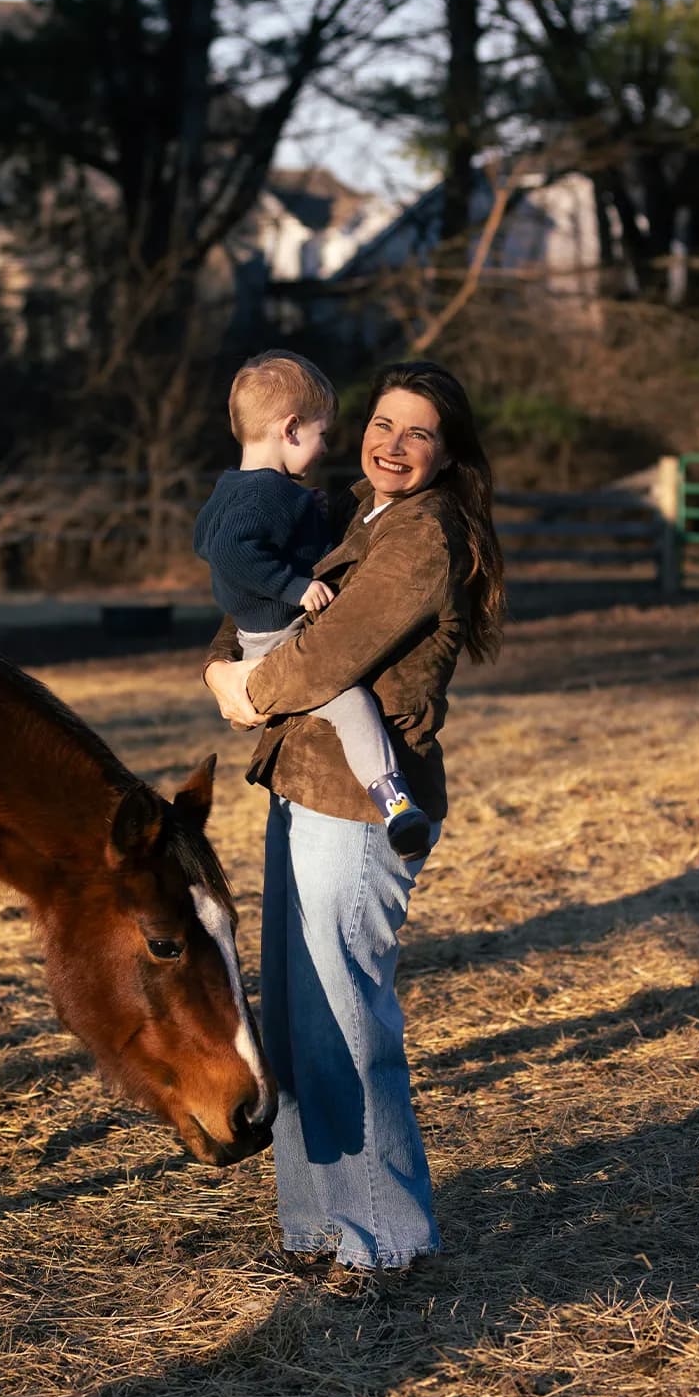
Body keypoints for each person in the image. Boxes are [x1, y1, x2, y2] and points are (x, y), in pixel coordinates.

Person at [203, 359, 504, 1280]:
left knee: (344, 1014)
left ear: (447, 452)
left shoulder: (424, 536)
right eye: (382, 423)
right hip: (301, 781)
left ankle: (385, 1240)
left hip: (363, 802)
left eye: (417, 432)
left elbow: (327, 650)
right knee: (295, 1025)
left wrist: (245, 692)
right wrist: (224, 667)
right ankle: (314, 1226)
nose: (391, 444)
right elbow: (255, 594)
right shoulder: (348, 511)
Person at [194, 349, 431, 857]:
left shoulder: (236, 487)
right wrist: (291, 586)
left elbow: (204, 539)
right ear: (292, 429)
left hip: (260, 636)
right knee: (352, 703)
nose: (326, 448)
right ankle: (392, 798)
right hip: (279, 638)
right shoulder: (267, 494)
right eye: (323, 435)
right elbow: (226, 550)